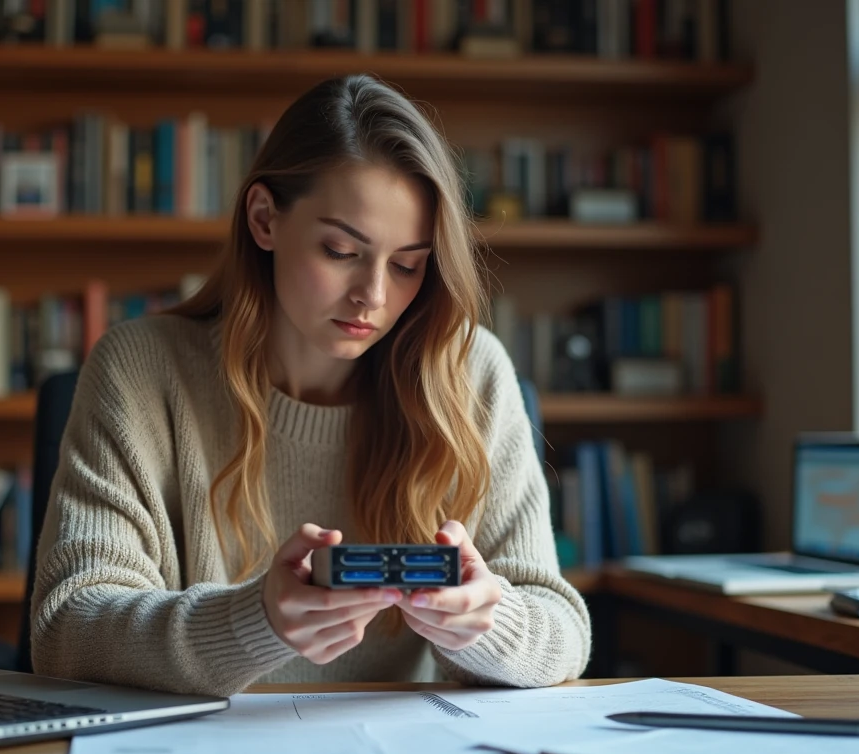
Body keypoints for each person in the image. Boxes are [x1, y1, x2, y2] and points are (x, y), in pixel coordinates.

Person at [31, 74, 591, 697]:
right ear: (265, 219)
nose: (373, 296)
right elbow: (66, 628)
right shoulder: (140, 371)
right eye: (340, 250)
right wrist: (255, 622)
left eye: (407, 265)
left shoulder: (472, 374)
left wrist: (488, 624)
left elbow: (563, 630)